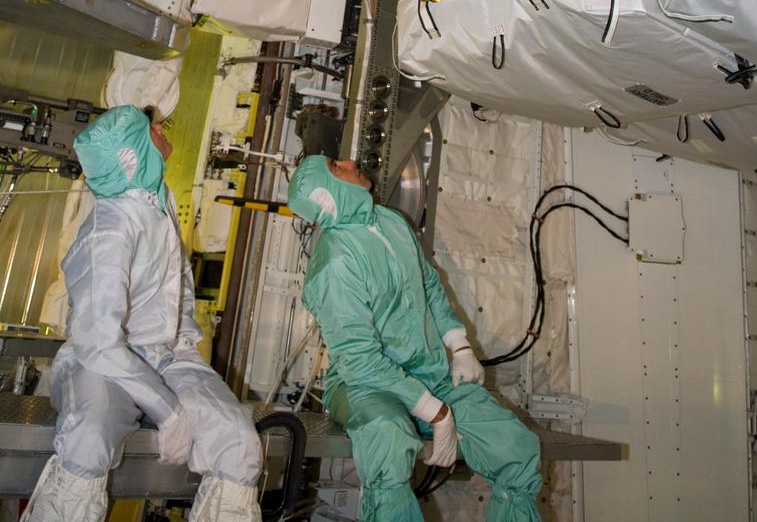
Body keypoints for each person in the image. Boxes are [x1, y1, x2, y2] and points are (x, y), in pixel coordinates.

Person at [23, 105, 263, 522]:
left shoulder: (159, 201)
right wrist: (167, 410)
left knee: (240, 442)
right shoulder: (110, 228)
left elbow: (179, 284)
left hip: (169, 357)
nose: (161, 128)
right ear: (132, 153)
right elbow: (99, 343)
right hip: (103, 363)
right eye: (151, 128)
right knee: (89, 438)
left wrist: (184, 352)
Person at [287, 154, 543, 522]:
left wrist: (459, 345)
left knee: (514, 446)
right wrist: (436, 413)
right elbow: (360, 362)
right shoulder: (334, 266)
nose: (349, 161)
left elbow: (428, 284)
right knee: (389, 439)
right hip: (364, 386)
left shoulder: (390, 221)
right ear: (329, 194)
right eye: (336, 166)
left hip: (429, 373)